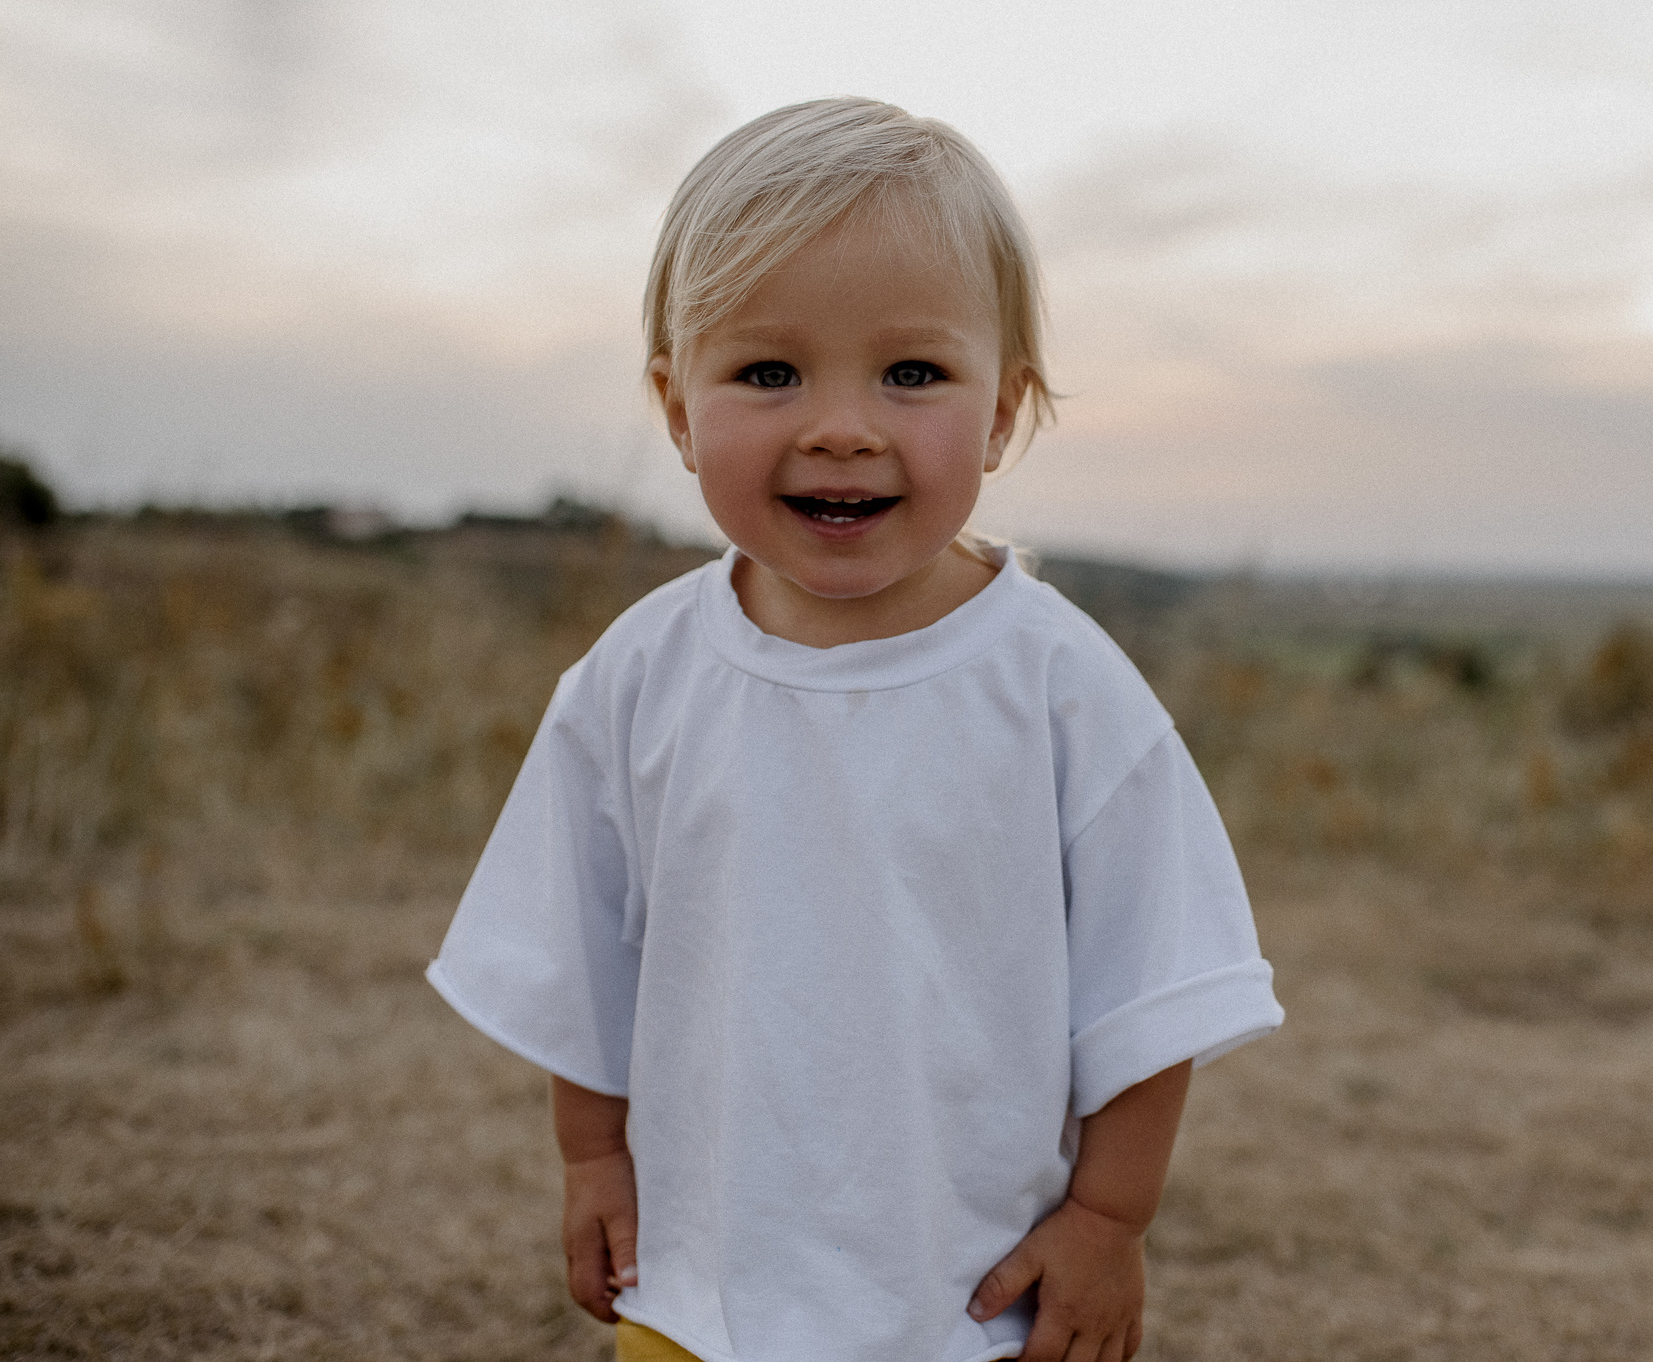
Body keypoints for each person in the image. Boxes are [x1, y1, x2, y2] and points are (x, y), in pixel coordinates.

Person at [426, 96, 1283, 1362]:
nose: (841, 424)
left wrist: (1108, 1219)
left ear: (1002, 411)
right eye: (768, 373)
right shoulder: (640, 676)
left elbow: (1150, 984)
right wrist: (594, 1157)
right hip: (697, 1290)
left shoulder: (1059, 687)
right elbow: (581, 956)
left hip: (966, 1304)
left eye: (913, 372)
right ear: (676, 405)